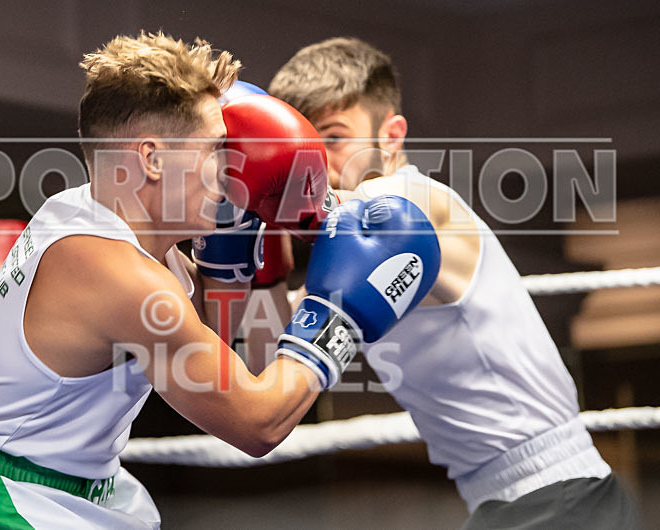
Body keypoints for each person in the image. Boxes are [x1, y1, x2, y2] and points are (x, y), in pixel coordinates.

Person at [0, 33, 440, 528]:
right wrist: (336, 318)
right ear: (152, 157)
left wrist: (238, 260)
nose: (230, 171)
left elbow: (242, 361)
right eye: (213, 150)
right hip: (5, 504)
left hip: (74, 491)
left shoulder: (96, 217)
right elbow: (257, 424)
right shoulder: (116, 275)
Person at [266, 37, 641, 529]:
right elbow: (269, 349)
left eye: (333, 139)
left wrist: (276, 195)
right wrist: (256, 247)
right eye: (306, 149)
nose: (319, 165)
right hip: (515, 502)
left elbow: (388, 210)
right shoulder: (351, 257)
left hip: (558, 494)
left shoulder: (415, 202)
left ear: (392, 136)